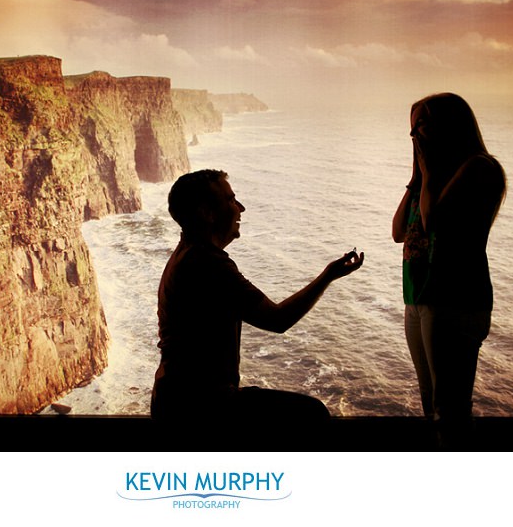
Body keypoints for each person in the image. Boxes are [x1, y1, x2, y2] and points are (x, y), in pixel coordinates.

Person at [151, 169, 363, 435]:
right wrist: (328, 276)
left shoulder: (189, 255)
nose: (241, 208)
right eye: (230, 200)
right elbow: (278, 319)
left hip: (177, 401)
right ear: (207, 213)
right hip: (198, 408)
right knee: (312, 414)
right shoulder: (209, 264)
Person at [392, 93, 506, 449]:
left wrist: (426, 174)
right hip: (419, 298)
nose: (415, 136)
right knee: (431, 404)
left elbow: (432, 224)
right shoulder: (428, 179)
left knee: (451, 410)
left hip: (455, 300)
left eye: (421, 125)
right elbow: (398, 232)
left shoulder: (478, 168)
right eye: (411, 129)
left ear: (449, 124)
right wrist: (416, 176)